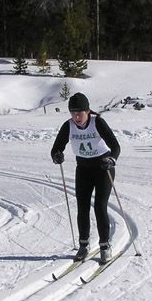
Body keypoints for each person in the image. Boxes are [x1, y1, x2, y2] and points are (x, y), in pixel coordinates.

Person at [50, 92, 121, 264]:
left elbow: (115, 146)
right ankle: (84, 246)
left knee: (99, 206)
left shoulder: (98, 122)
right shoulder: (68, 126)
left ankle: (105, 246)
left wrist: (111, 160)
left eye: (79, 112)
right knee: (82, 207)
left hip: (103, 168)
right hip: (83, 169)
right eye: (73, 112)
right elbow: (56, 148)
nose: (76, 116)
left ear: (88, 111)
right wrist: (57, 155)